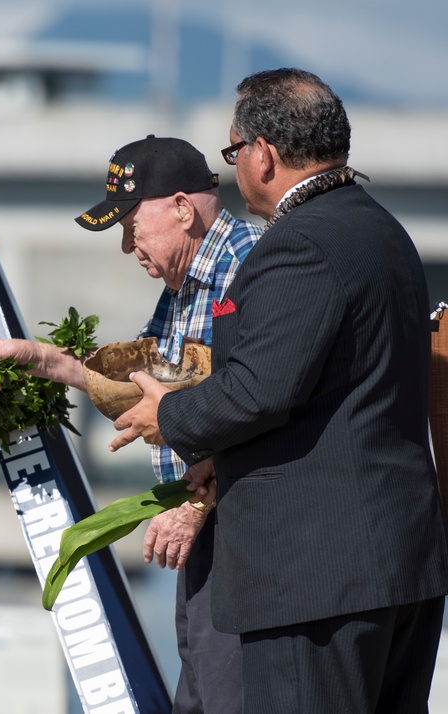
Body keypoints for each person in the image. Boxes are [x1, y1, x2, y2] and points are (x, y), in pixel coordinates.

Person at [111, 68, 448, 712]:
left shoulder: (299, 245)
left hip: (318, 579)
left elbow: (258, 390)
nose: (235, 170)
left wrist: (170, 413)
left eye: (234, 153)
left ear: (262, 153)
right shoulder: (382, 231)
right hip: (398, 561)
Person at [0, 134, 261, 713]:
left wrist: (194, 506)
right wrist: (51, 363)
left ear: (183, 209)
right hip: (214, 521)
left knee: (225, 698)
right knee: (201, 697)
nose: (125, 246)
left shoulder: (251, 267)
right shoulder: (186, 281)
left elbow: (260, 400)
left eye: (131, 226)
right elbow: (151, 386)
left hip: (247, 529)